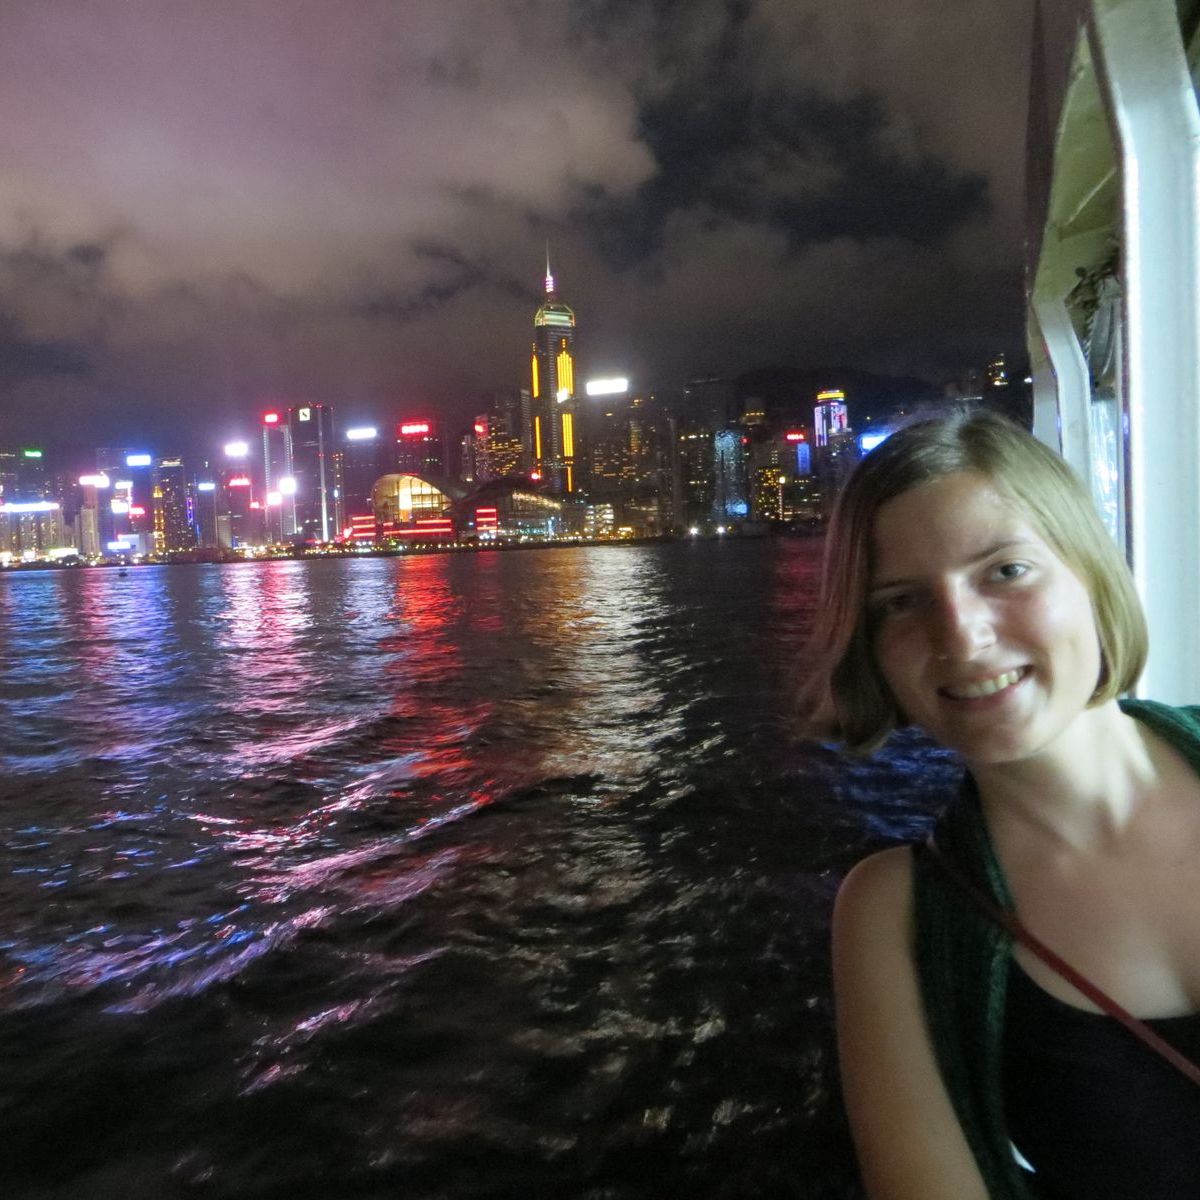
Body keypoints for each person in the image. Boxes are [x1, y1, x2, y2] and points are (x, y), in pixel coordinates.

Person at [801, 410, 1200, 1199]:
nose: (963, 636)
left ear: (1089, 567)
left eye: (1005, 570)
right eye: (902, 602)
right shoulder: (896, 918)